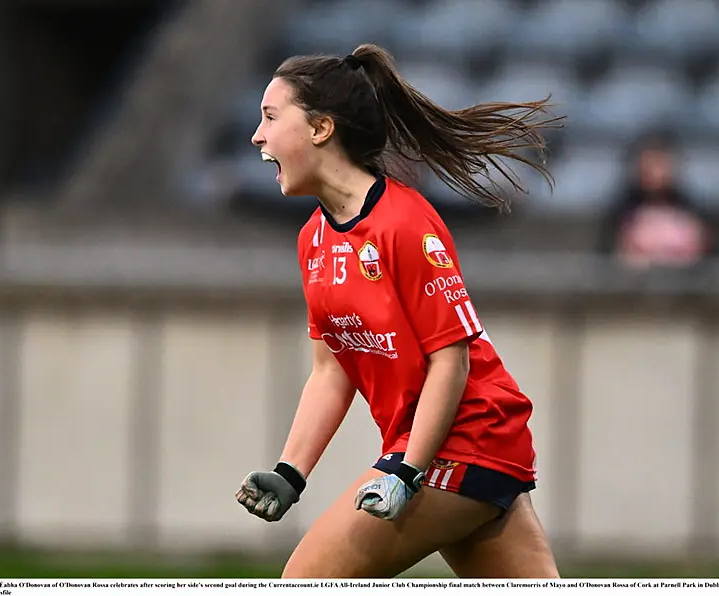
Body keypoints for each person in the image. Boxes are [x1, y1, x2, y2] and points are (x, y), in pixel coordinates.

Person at [235, 44, 562, 579]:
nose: (257, 136)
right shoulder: (313, 239)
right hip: (447, 451)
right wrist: (290, 472)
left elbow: (449, 361)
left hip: (464, 443)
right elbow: (332, 367)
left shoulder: (405, 222)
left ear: (320, 130)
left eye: (271, 117)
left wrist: (407, 471)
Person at [599, 133, 713, 269]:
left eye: (661, 163)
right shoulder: (620, 214)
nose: (655, 171)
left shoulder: (692, 212)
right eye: (649, 163)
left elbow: (705, 258)